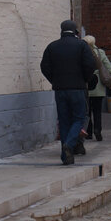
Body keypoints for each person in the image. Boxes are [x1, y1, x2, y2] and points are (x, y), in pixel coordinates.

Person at [40, 20, 96, 165]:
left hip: (60, 90)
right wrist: (84, 79)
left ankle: (66, 157)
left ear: (62, 30)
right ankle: (69, 145)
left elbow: (44, 66)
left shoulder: (52, 46)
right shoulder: (81, 45)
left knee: (64, 121)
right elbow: (90, 65)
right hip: (77, 88)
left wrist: (55, 80)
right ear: (75, 31)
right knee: (79, 118)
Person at [83, 34, 111, 140]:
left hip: (86, 84)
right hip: (99, 85)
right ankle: (98, 131)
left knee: (87, 111)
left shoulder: (82, 53)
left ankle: (89, 132)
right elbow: (108, 67)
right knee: (97, 110)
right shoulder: (100, 53)